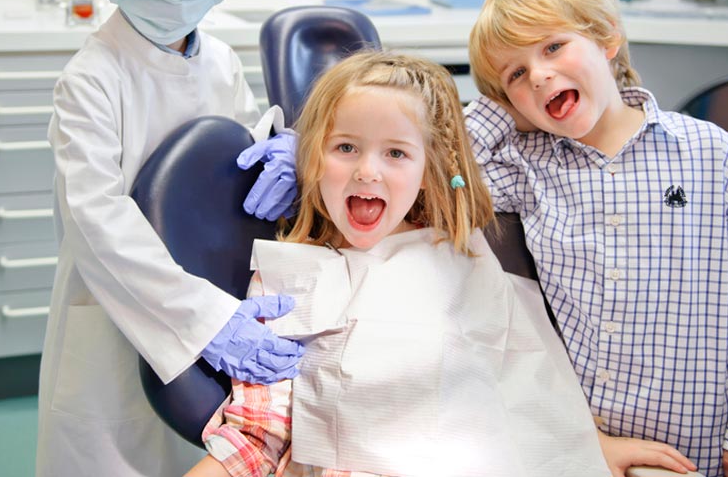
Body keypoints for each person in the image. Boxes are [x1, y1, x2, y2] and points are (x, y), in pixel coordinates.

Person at [190, 51, 696, 477]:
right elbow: (258, 434)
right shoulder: (289, 279)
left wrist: (589, 446)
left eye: (396, 153)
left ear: (430, 171)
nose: (368, 171)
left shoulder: (459, 259)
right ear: (311, 159)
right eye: (345, 147)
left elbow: (524, 384)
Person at [36, 0, 304, 477]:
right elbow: (98, 224)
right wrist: (208, 321)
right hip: (121, 311)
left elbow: (238, 138)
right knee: (113, 453)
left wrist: (280, 148)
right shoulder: (92, 79)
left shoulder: (218, 59)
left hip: (214, 293)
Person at [464, 0, 728, 477]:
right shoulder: (526, 166)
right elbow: (442, 172)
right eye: (516, 74)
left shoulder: (715, 156)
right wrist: (503, 109)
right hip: (573, 440)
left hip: (697, 450)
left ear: (607, 39)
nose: (537, 75)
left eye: (553, 47)